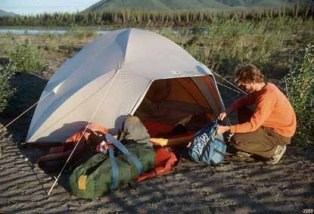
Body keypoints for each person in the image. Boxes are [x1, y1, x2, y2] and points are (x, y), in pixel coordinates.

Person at [217, 64, 296, 164]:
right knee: (242, 109)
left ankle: (274, 151)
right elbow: (244, 101)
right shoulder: (263, 88)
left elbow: (253, 125)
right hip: (269, 126)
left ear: (252, 81)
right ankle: (250, 139)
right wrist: (228, 111)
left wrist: (228, 128)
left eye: (244, 84)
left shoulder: (267, 96)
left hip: (279, 134)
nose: (243, 87)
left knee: (236, 140)